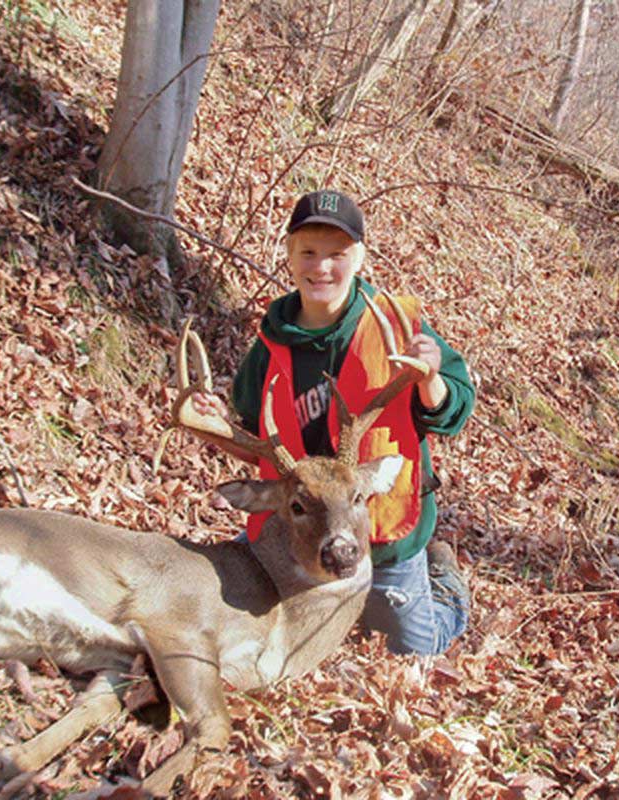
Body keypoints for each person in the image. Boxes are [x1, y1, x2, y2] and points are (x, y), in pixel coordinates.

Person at [192, 189, 475, 655]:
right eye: (308, 252)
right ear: (289, 256)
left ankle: (447, 593)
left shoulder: (398, 326)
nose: (321, 267)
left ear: (359, 257)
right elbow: (252, 438)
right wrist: (216, 425)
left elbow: (455, 410)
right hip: (297, 531)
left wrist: (430, 383)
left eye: (336, 254)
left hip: (379, 535)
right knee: (235, 626)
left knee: (411, 653)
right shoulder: (272, 341)